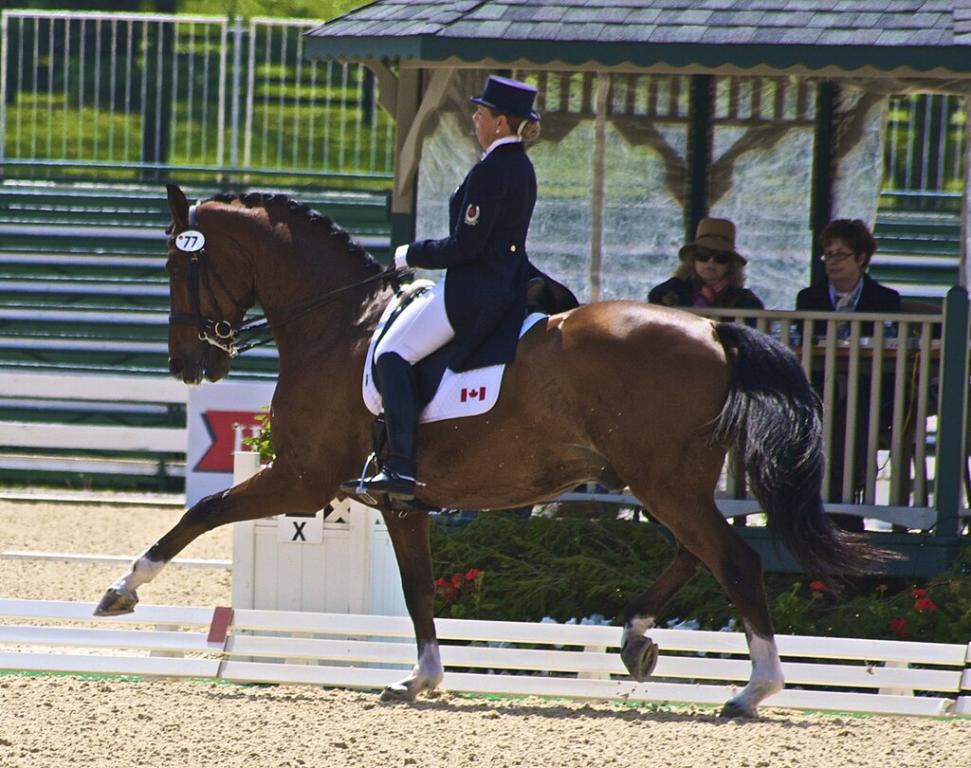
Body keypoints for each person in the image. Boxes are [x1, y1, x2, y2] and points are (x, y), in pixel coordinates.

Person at [342, 75, 546, 502]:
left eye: (483, 112)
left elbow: (465, 245)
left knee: (391, 354)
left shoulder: (492, 171)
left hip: (472, 291)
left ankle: (398, 466)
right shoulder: (522, 167)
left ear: (502, 122)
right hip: (506, 284)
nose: (475, 117)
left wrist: (410, 254)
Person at [796, 219, 902, 530]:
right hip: (819, 389)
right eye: (828, 255)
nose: (832, 262)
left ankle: (845, 505)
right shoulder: (809, 298)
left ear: (861, 258)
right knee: (827, 403)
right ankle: (819, 504)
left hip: (869, 391)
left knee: (850, 405)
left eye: (840, 254)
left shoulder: (885, 299)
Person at [648, 217, 763, 310]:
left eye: (721, 258)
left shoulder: (746, 302)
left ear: (731, 264)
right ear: (692, 260)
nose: (711, 262)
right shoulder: (669, 292)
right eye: (703, 255)